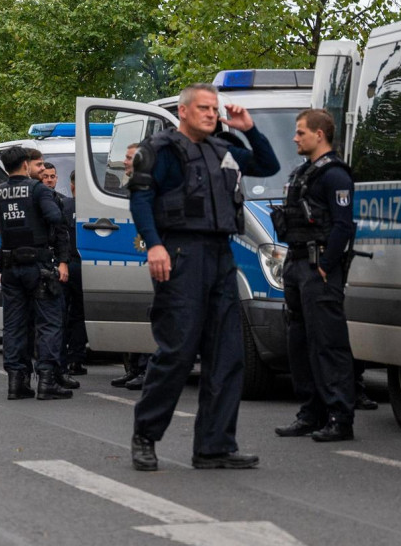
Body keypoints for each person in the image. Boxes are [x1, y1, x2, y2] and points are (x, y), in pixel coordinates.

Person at [127, 84, 279, 471]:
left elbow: (268, 165)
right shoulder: (161, 150)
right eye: (204, 108)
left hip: (220, 255)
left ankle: (214, 447)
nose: (212, 114)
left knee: (227, 356)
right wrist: (155, 245)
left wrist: (249, 127)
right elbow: (141, 198)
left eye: (215, 109)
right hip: (179, 254)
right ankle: (145, 436)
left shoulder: (223, 147)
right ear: (184, 111)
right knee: (176, 353)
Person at [273, 109, 359, 443]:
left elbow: (342, 225)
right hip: (296, 264)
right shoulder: (304, 173)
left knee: (328, 343)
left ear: (319, 135)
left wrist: (326, 264)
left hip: (317, 267)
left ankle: (340, 417)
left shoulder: (335, 175)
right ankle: (311, 412)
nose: (295, 138)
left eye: (300, 132)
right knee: (300, 343)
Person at [0, 145, 73, 401]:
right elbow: (57, 220)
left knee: (13, 326)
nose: (42, 169)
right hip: (39, 267)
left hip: (10, 269)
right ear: (25, 164)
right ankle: (47, 381)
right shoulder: (39, 190)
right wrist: (62, 259)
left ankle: (16, 382)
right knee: (48, 324)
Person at [113, 142, 149, 390]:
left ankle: (146, 369)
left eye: (128, 157)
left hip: (145, 257)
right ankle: (134, 368)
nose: (124, 161)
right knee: (132, 314)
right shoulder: (126, 188)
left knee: (148, 316)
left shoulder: (147, 188)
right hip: (128, 256)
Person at [56, 167, 88, 377]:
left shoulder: (63, 206)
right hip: (84, 265)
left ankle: (60, 359)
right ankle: (76, 359)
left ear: (72, 185)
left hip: (63, 264)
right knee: (79, 313)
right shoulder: (94, 209)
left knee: (59, 313)